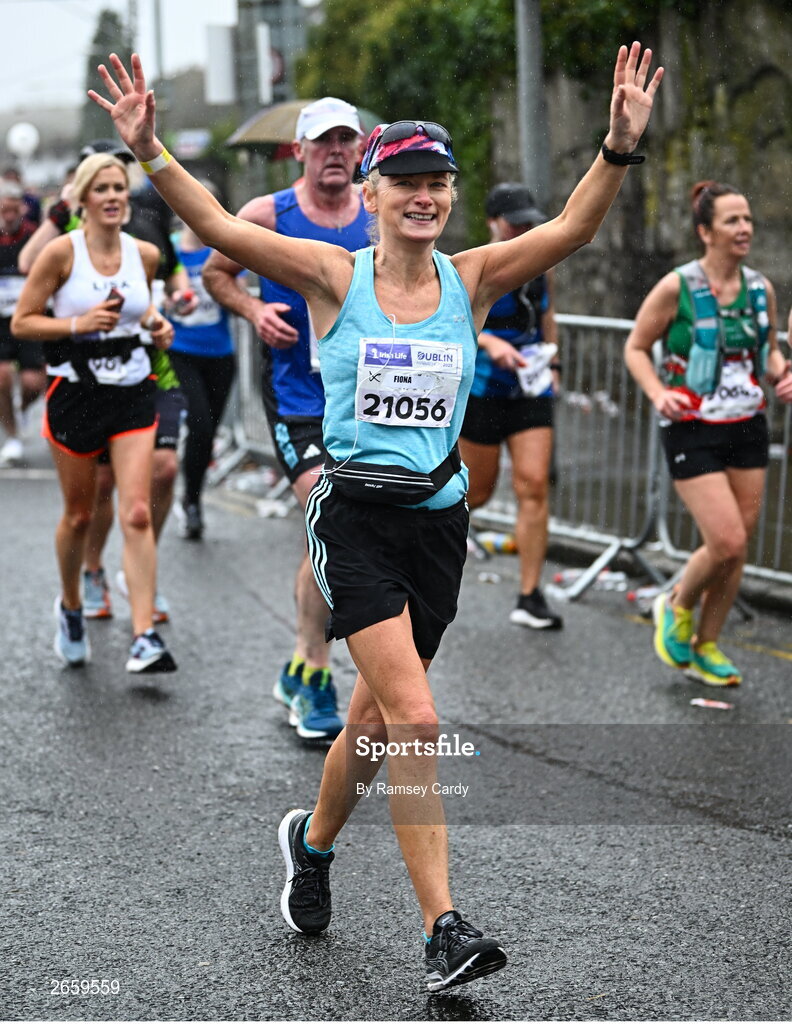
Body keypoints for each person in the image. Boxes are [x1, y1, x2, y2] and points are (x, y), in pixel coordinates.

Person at [90, 43, 662, 989]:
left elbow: (568, 230)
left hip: (438, 523)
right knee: (419, 716)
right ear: (371, 190)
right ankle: (443, 929)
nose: (424, 198)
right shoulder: (332, 276)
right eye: (404, 183)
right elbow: (223, 230)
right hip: (351, 516)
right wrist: (150, 152)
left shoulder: (471, 277)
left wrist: (616, 147)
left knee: (373, 719)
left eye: (437, 183)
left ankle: (310, 847)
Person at [203, 97, 370, 741]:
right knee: (331, 517)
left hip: (362, 402)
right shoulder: (268, 215)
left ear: (359, 150)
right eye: (322, 143)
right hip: (296, 396)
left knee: (328, 536)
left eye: (345, 142)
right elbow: (219, 273)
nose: (335, 153)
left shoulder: (378, 216)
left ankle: (300, 667)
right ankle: (319, 680)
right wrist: (252, 310)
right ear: (298, 151)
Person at [12, 152, 177, 674]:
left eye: (118, 188)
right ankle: (71, 605)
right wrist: (77, 324)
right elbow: (22, 323)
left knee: (136, 511)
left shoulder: (145, 254)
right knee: (80, 515)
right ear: (82, 200)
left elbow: (141, 308)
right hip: (76, 394)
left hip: (132, 391)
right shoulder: (61, 254)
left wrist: (157, 325)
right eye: (101, 189)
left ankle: (144, 635)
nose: (112, 196)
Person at [625, 181, 792, 686]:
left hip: (747, 425)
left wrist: (783, 372)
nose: (744, 229)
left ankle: (707, 644)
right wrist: (658, 393)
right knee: (725, 539)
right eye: (731, 221)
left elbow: (768, 353)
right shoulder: (679, 287)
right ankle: (674, 602)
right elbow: (635, 347)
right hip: (691, 426)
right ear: (705, 231)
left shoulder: (761, 288)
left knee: (737, 547)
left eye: (747, 220)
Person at [459, 183, 563, 630]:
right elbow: (454, 322)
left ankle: (529, 595)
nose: (523, 227)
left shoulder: (541, 263)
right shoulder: (472, 266)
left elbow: (547, 314)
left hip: (530, 387)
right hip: (484, 388)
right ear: (492, 222)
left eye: (527, 220)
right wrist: (491, 344)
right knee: (475, 493)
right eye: (514, 220)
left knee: (534, 485)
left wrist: (553, 358)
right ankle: (422, 556)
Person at [167, 203, 236, 538]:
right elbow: (158, 294)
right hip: (182, 352)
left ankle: (191, 496)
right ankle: (191, 503)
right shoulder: (170, 249)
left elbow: (236, 290)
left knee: (207, 434)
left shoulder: (221, 251)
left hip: (221, 355)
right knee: (199, 423)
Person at [0, 180, 44, 465]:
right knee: (2, 377)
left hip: (28, 317)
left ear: (22, 209)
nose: (7, 216)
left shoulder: (34, 237)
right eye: (2, 210)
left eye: (12, 210)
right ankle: (13, 436)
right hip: (1, 322)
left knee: (32, 382)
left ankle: (23, 408)